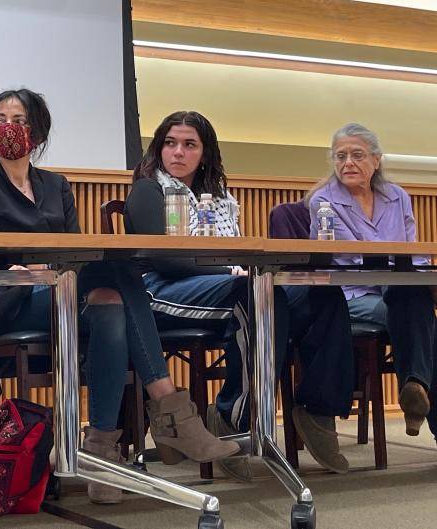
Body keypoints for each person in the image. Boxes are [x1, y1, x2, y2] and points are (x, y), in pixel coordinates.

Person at [0, 90, 237, 504]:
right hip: (11, 301)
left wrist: (50, 268)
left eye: (20, 118)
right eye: (0, 119)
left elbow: (73, 252)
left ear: (38, 131)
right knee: (119, 267)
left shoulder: (56, 185)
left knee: (110, 303)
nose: (8, 126)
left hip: (62, 292)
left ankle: (100, 452)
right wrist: (42, 268)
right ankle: (170, 410)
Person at [124, 110, 355, 476]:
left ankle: (318, 410)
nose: (178, 153)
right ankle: (236, 417)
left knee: (323, 296)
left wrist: (237, 269)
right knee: (258, 297)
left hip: (223, 286)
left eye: (189, 145)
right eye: (170, 143)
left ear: (205, 153)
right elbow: (165, 259)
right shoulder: (148, 188)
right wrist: (227, 269)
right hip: (162, 292)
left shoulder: (220, 196)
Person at [309, 122, 437, 439]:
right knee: (429, 326)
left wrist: (416, 276)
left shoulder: (398, 197)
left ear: (376, 160)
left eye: (357, 155)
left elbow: (414, 255)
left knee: (411, 295)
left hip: (398, 291)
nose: (348, 163)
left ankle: (416, 387)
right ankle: (416, 390)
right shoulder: (323, 202)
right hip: (351, 296)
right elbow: (356, 259)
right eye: (340, 156)